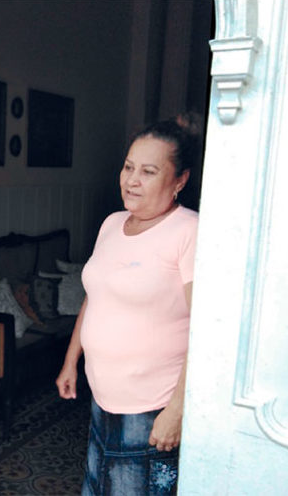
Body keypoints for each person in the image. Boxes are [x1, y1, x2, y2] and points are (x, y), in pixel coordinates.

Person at [56, 115, 200, 495]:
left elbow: (208, 330)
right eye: (128, 167)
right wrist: (72, 359)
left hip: (152, 406)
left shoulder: (189, 231)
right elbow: (95, 296)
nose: (131, 180)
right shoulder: (112, 223)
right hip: (103, 397)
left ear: (180, 180)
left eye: (148, 171)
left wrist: (177, 410)